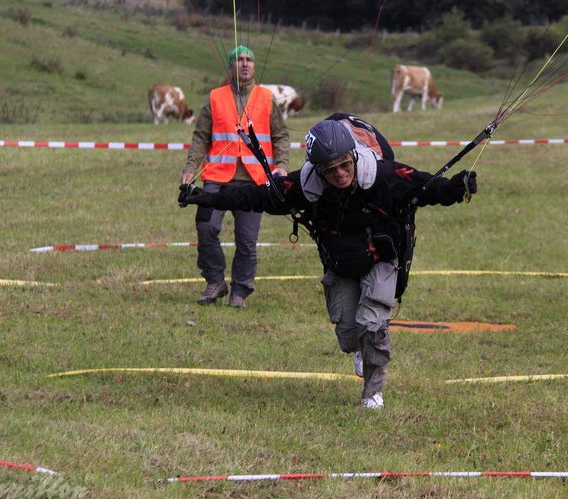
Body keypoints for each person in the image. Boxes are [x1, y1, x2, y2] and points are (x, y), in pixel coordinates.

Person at [179, 117, 477, 409]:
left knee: (372, 322)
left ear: (354, 157)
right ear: (318, 170)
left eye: (345, 165)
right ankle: (359, 348)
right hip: (340, 263)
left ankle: (373, 392)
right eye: (330, 169)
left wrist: (456, 187)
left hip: (381, 258)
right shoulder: (305, 186)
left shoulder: (383, 176)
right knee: (349, 336)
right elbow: (255, 196)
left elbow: (425, 187)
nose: (340, 173)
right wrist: (205, 198)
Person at [181, 45, 290, 308]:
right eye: (239, 60)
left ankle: (240, 290)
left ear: (254, 66)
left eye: (249, 60)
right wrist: (189, 171)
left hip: (254, 181)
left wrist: (282, 166)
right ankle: (215, 282)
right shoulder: (215, 97)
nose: (244, 64)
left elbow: (281, 136)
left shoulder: (266, 98)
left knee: (246, 240)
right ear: (230, 67)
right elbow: (201, 138)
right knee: (206, 228)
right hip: (216, 178)